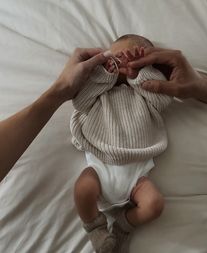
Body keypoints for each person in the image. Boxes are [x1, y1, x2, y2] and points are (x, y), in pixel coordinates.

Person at [71, 34, 169, 253]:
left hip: (137, 175)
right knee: (82, 190)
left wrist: (139, 76)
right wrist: (105, 75)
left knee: (155, 205)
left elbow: (163, 99)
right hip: (100, 166)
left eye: (131, 58)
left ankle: (124, 226)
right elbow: (80, 102)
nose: (121, 63)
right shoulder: (99, 92)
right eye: (114, 59)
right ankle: (96, 228)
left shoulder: (145, 95)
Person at [0, 48, 112, 182]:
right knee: (85, 188)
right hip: (102, 169)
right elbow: (83, 104)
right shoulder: (101, 95)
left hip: (134, 168)